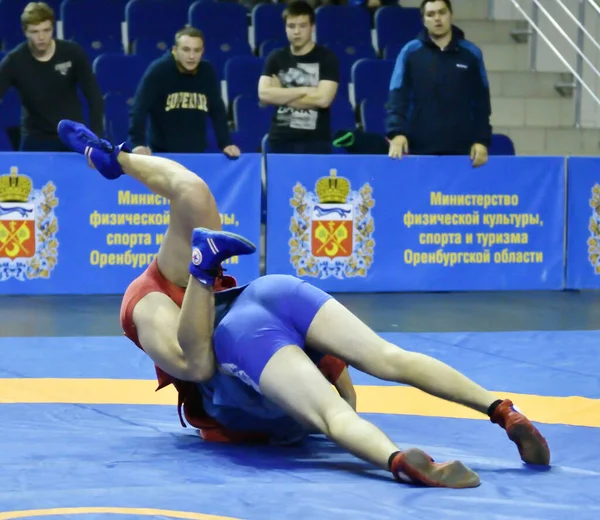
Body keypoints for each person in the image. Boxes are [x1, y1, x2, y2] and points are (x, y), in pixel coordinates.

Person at [57, 119, 550, 489]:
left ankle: (398, 462)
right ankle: (503, 409)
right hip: (275, 292)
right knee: (388, 357)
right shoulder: (147, 301)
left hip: (248, 339)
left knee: (332, 417)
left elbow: (202, 365)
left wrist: (112, 158)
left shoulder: (158, 296)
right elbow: (196, 358)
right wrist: (123, 162)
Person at [386, 0, 491, 167]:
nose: (437, 18)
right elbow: (398, 96)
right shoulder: (410, 52)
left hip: (464, 153)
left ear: (451, 15)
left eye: (442, 12)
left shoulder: (471, 54)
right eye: (431, 14)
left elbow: (481, 103)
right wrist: (397, 133)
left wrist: (482, 141)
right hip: (418, 149)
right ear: (423, 20)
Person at [0, 2, 103, 151]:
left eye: (46, 30)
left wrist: (96, 139)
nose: (41, 37)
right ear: (25, 32)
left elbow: (94, 96)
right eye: (35, 31)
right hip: (34, 140)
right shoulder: (14, 61)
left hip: (71, 136)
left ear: (53, 28)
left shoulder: (72, 53)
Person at [129, 26, 240, 158]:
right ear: (175, 50)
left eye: (196, 50)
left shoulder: (207, 71)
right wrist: (138, 143)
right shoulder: (159, 70)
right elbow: (139, 109)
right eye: (186, 50)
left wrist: (226, 143)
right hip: (163, 155)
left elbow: (217, 111)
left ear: (202, 51)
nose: (192, 56)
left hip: (197, 155)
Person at [258, 0, 339, 154]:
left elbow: (323, 100)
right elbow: (264, 95)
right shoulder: (275, 57)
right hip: (280, 140)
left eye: (302, 26)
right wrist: (306, 90)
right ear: (285, 28)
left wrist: (280, 93)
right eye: (291, 26)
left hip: (315, 141)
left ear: (312, 27)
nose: (296, 32)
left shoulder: (327, 58)